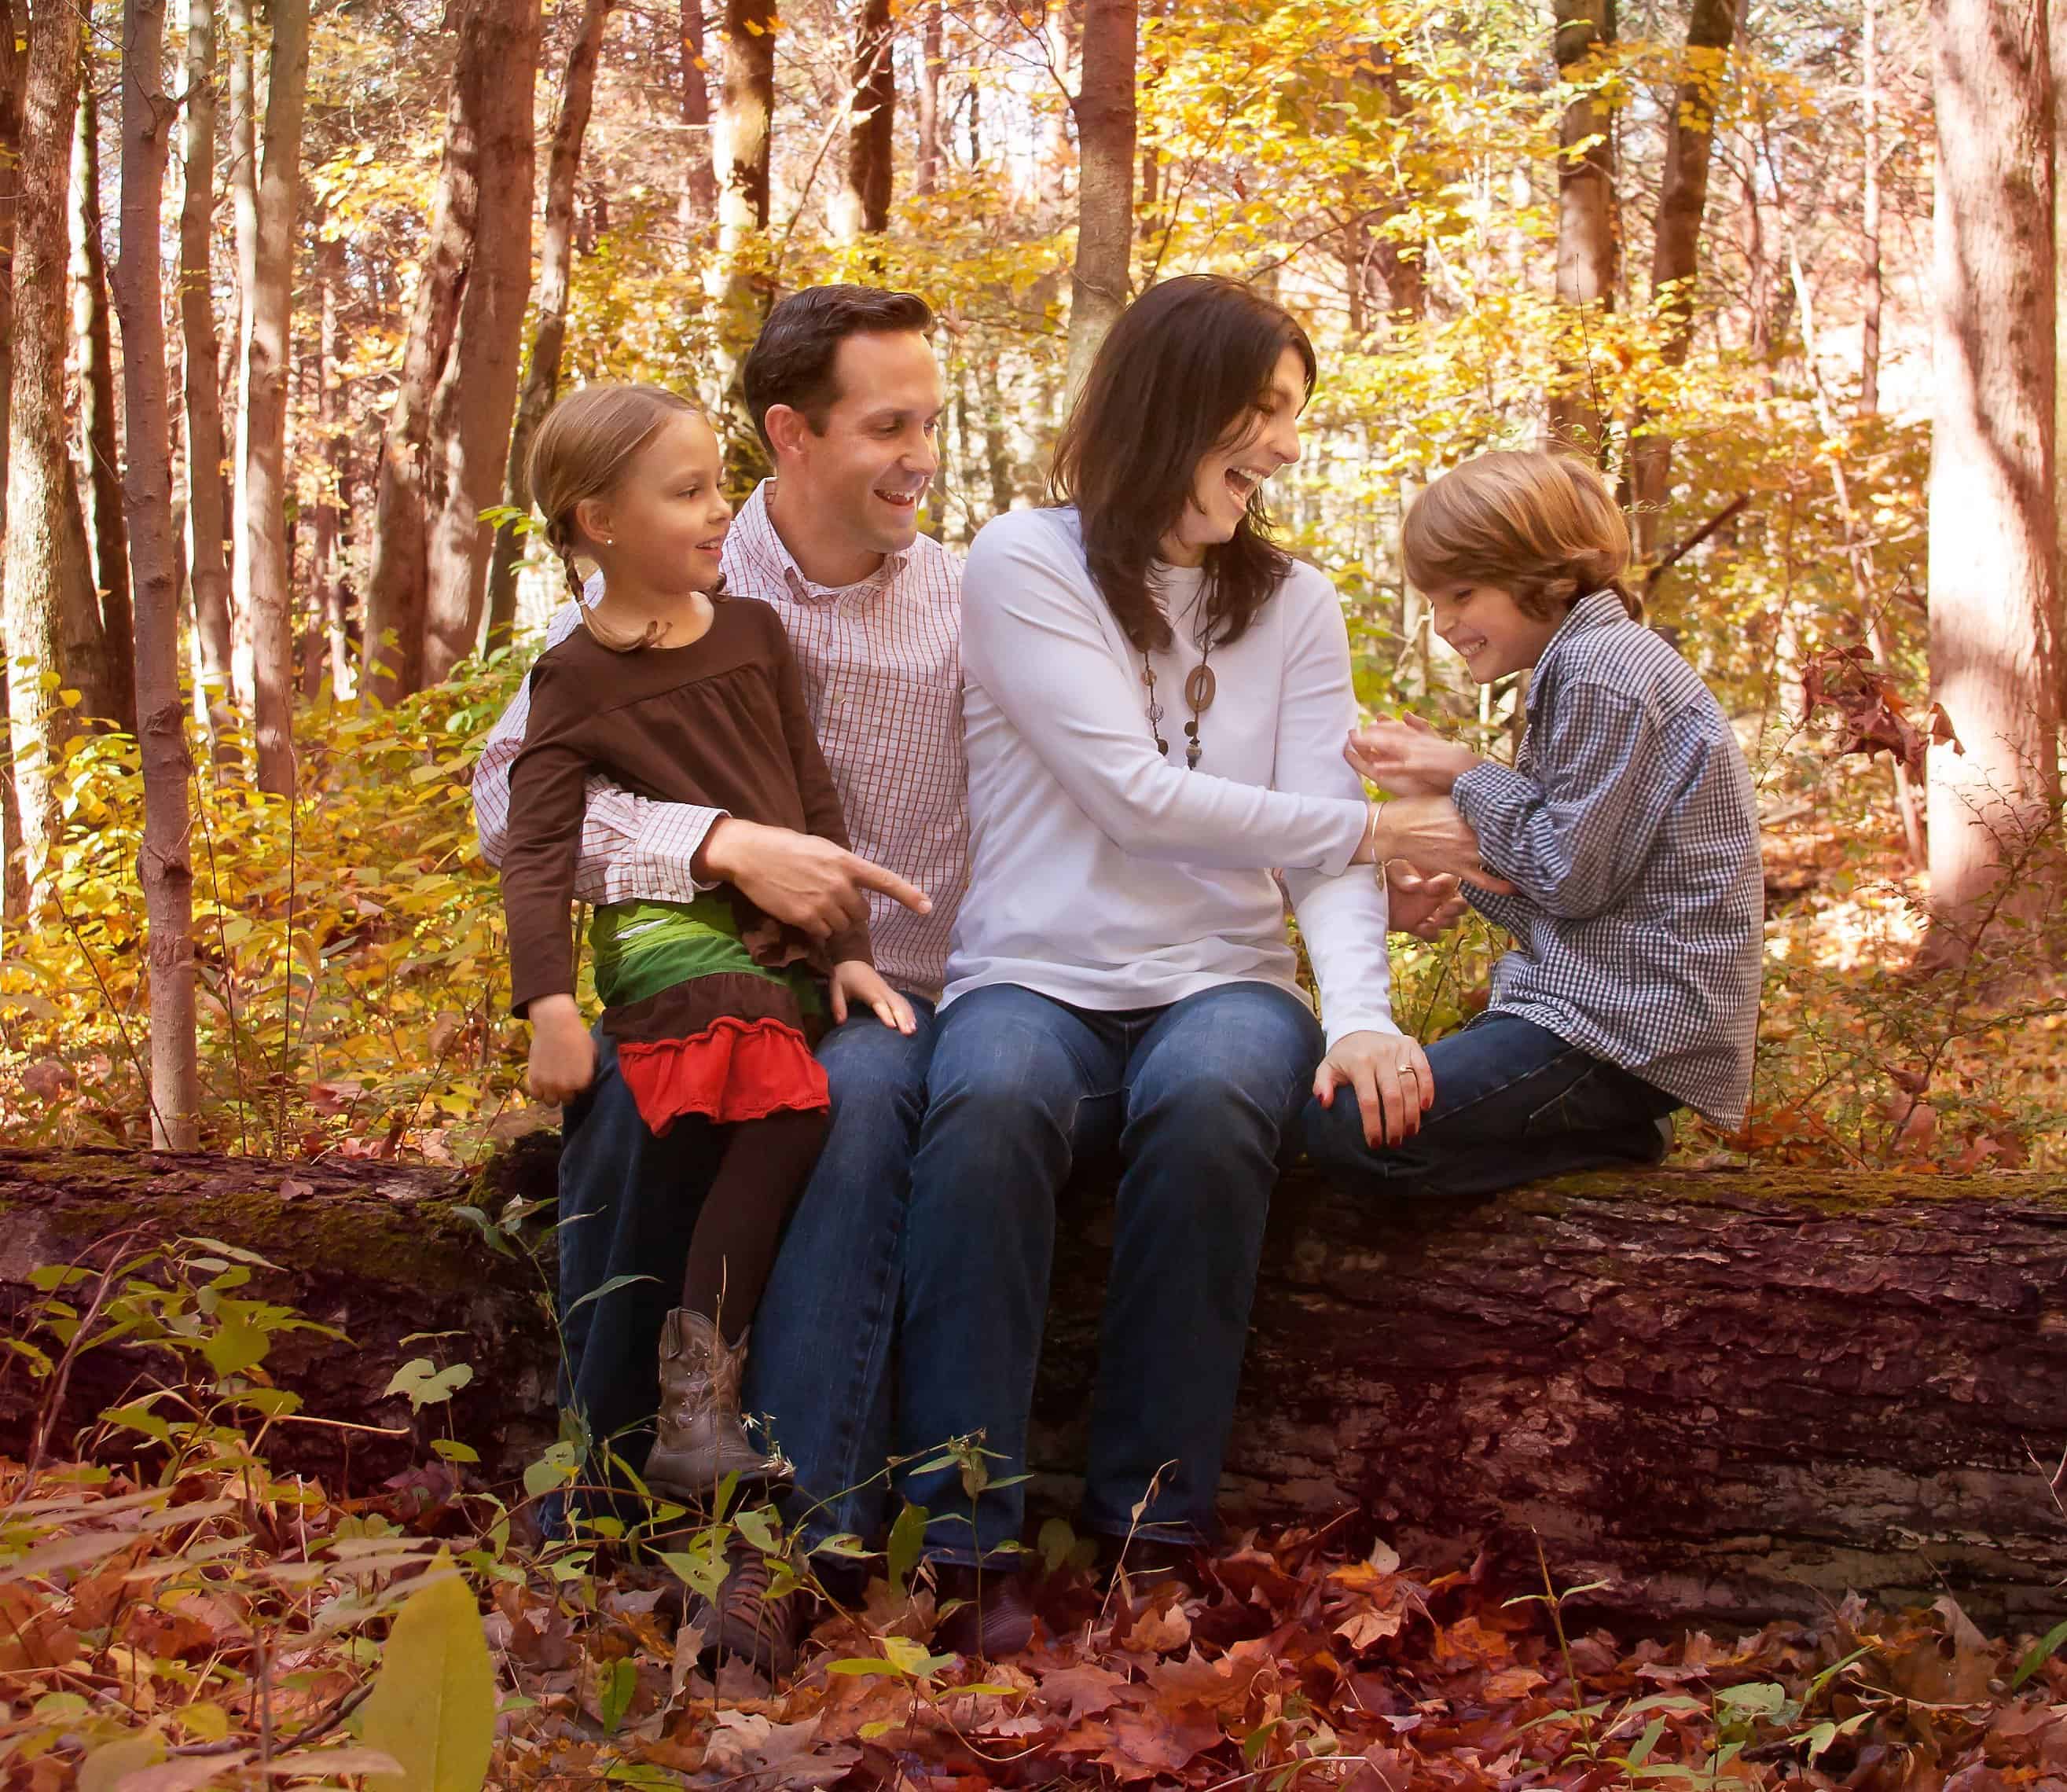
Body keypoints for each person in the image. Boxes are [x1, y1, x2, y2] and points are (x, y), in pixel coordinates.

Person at [890, 274, 1493, 1658]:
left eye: (1292, 418)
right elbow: (1127, 793)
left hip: (1222, 978)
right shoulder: (1022, 562)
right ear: (1180, 401)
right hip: (1029, 974)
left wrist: (1355, 1019)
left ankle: (1150, 1532)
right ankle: (967, 1540)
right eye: (1266, 412)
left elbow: (1328, 857)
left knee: (1222, 1100)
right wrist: (1367, 821)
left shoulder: (1296, 604)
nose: (1285, 445)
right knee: (982, 1110)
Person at [472, 287, 960, 1667]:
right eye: (889, 425)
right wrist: (721, 844)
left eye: (931, 420)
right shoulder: (682, 572)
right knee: (639, 1108)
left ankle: (784, 1548)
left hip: (900, 984)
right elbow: (510, 811)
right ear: (792, 437)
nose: (922, 454)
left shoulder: (968, 599)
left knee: (844, 1108)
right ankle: (612, 1486)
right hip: (712, 971)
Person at [1305, 448, 1763, 1197]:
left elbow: (1568, 877)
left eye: (1462, 593)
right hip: (1583, 1010)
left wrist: (1461, 773)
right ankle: (1590, 1137)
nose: (1444, 622)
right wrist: (1445, 835)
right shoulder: (1579, 665)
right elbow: (1565, 866)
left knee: (1349, 1122)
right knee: (1348, 1106)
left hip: (1624, 1028)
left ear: (1543, 575)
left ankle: (1615, 1137)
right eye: (1433, 601)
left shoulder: (1603, 672)